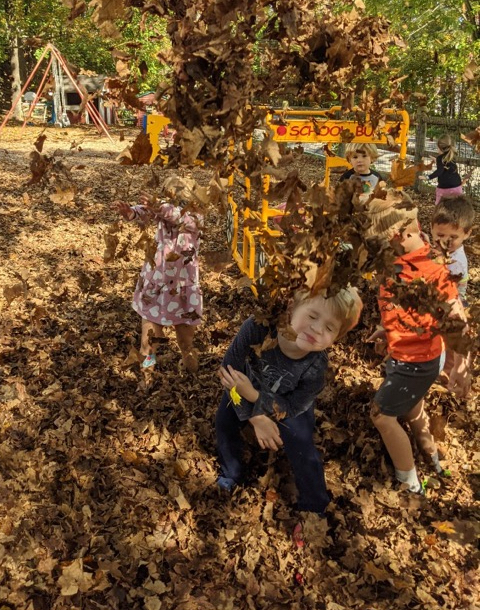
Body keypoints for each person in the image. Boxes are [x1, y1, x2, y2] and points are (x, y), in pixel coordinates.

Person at [215, 288, 362, 515]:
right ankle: (231, 473)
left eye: (330, 328)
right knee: (224, 422)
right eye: (312, 316)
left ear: (336, 338)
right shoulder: (258, 327)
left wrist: (256, 399)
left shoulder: (317, 366)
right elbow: (228, 371)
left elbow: (293, 406)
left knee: (302, 445)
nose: (317, 329)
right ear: (292, 308)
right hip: (240, 389)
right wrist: (255, 416)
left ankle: (315, 505)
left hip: (286, 403)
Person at [366, 193, 467, 495]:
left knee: (382, 416)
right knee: (412, 411)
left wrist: (461, 365)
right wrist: (387, 329)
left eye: (384, 243)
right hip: (404, 352)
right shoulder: (399, 260)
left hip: (417, 360)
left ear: (403, 234)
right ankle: (431, 457)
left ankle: (409, 484)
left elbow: (456, 317)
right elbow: (406, 307)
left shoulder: (431, 267)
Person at [115, 189, 202, 372]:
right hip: (156, 285)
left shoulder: (195, 218)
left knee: (186, 342)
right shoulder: (163, 213)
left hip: (183, 288)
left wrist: (158, 206)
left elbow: (177, 216)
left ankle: (191, 373)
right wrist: (131, 212)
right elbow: (148, 212)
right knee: (148, 343)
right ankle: (147, 375)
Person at [431, 195, 474, 397]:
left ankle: (447, 380)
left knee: (448, 343)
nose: (446, 242)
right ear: (431, 228)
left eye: (453, 237)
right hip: (444, 302)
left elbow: (446, 292)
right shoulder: (442, 251)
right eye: (440, 235)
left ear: (467, 234)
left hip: (452, 306)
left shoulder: (456, 261)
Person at [428, 133, 463, 204]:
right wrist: (437, 162)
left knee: (439, 206)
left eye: (438, 148)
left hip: (443, 188)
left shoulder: (439, 158)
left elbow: (440, 170)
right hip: (457, 187)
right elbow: (446, 165)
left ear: (440, 148)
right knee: (457, 206)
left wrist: (428, 177)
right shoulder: (453, 157)